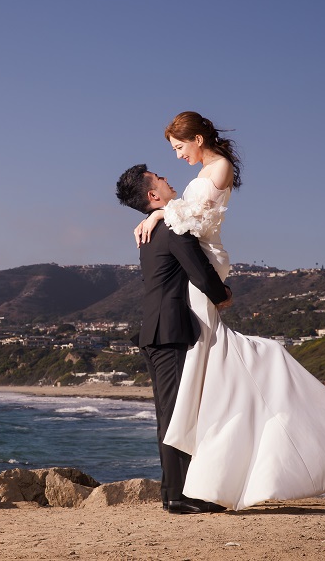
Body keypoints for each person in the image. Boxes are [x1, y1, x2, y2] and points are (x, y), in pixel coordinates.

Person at [134, 111, 325, 511]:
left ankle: (193, 487)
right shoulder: (201, 177)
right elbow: (184, 218)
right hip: (197, 283)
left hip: (202, 277)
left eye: (178, 147)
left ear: (197, 138)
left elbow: (188, 220)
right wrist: (160, 212)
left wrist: (158, 212)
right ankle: (197, 485)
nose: (176, 157)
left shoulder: (217, 168)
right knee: (210, 381)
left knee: (210, 379)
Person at [116, 164, 232, 514]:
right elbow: (200, 272)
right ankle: (178, 496)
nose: (168, 179)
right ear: (153, 195)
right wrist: (222, 293)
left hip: (157, 331)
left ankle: (177, 492)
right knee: (175, 413)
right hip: (170, 332)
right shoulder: (172, 227)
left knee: (170, 412)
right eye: (161, 179)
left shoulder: (155, 227)